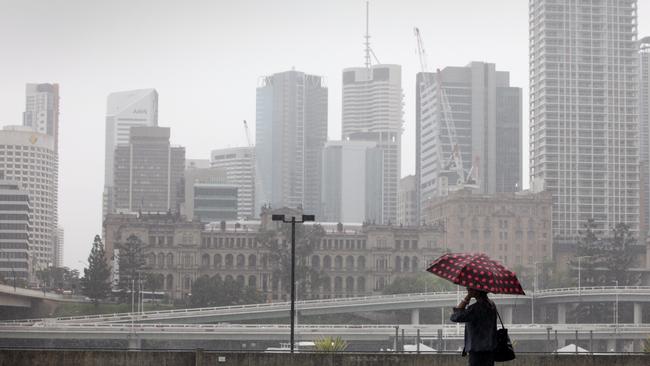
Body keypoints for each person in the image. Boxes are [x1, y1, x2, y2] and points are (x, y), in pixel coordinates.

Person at [450, 287, 497, 366]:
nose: (467, 289)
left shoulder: (476, 308)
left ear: (477, 291)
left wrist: (467, 298)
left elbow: (455, 317)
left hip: (477, 350)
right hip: (489, 348)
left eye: (470, 288)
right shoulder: (491, 304)